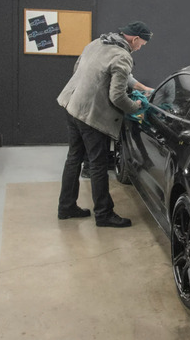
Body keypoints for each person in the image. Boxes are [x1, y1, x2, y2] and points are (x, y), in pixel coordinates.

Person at [56, 21, 153, 227]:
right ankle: (104, 214)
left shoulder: (97, 43)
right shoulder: (122, 55)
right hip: (91, 116)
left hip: (71, 105)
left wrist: (139, 86)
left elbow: (82, 69)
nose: (140, 48)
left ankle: (66, 207)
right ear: (134, 39)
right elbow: (117, 97)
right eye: (142, 44)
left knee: (74, 158)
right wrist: (136, 106)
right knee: (98, 165)